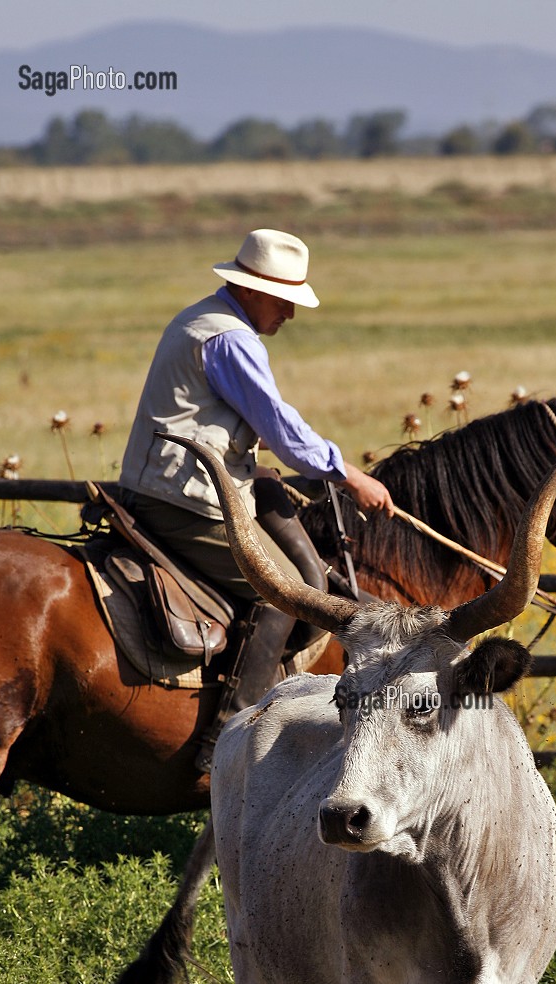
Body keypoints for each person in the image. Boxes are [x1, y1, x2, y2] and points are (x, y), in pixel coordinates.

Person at [119, 227, 393, 768]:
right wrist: (347, 474)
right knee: (284, 590)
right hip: (183, 497)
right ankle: (229, 738)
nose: (289, 315)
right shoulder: (231, 339)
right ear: (252, 289)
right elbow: (281, 426)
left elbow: (226, 415)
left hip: (172, 482)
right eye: (285, 301)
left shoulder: (205, 320)